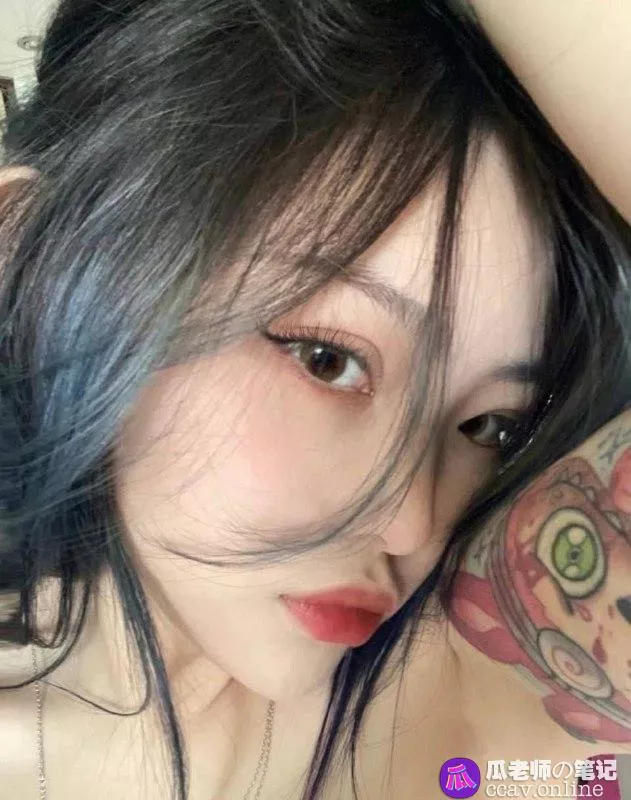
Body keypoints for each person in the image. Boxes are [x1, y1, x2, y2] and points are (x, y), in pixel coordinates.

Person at [0, 2, 628, 799]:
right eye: (328, 361)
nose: (411, 524)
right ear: (36, 267)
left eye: (487, 425)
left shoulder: (473, 706)